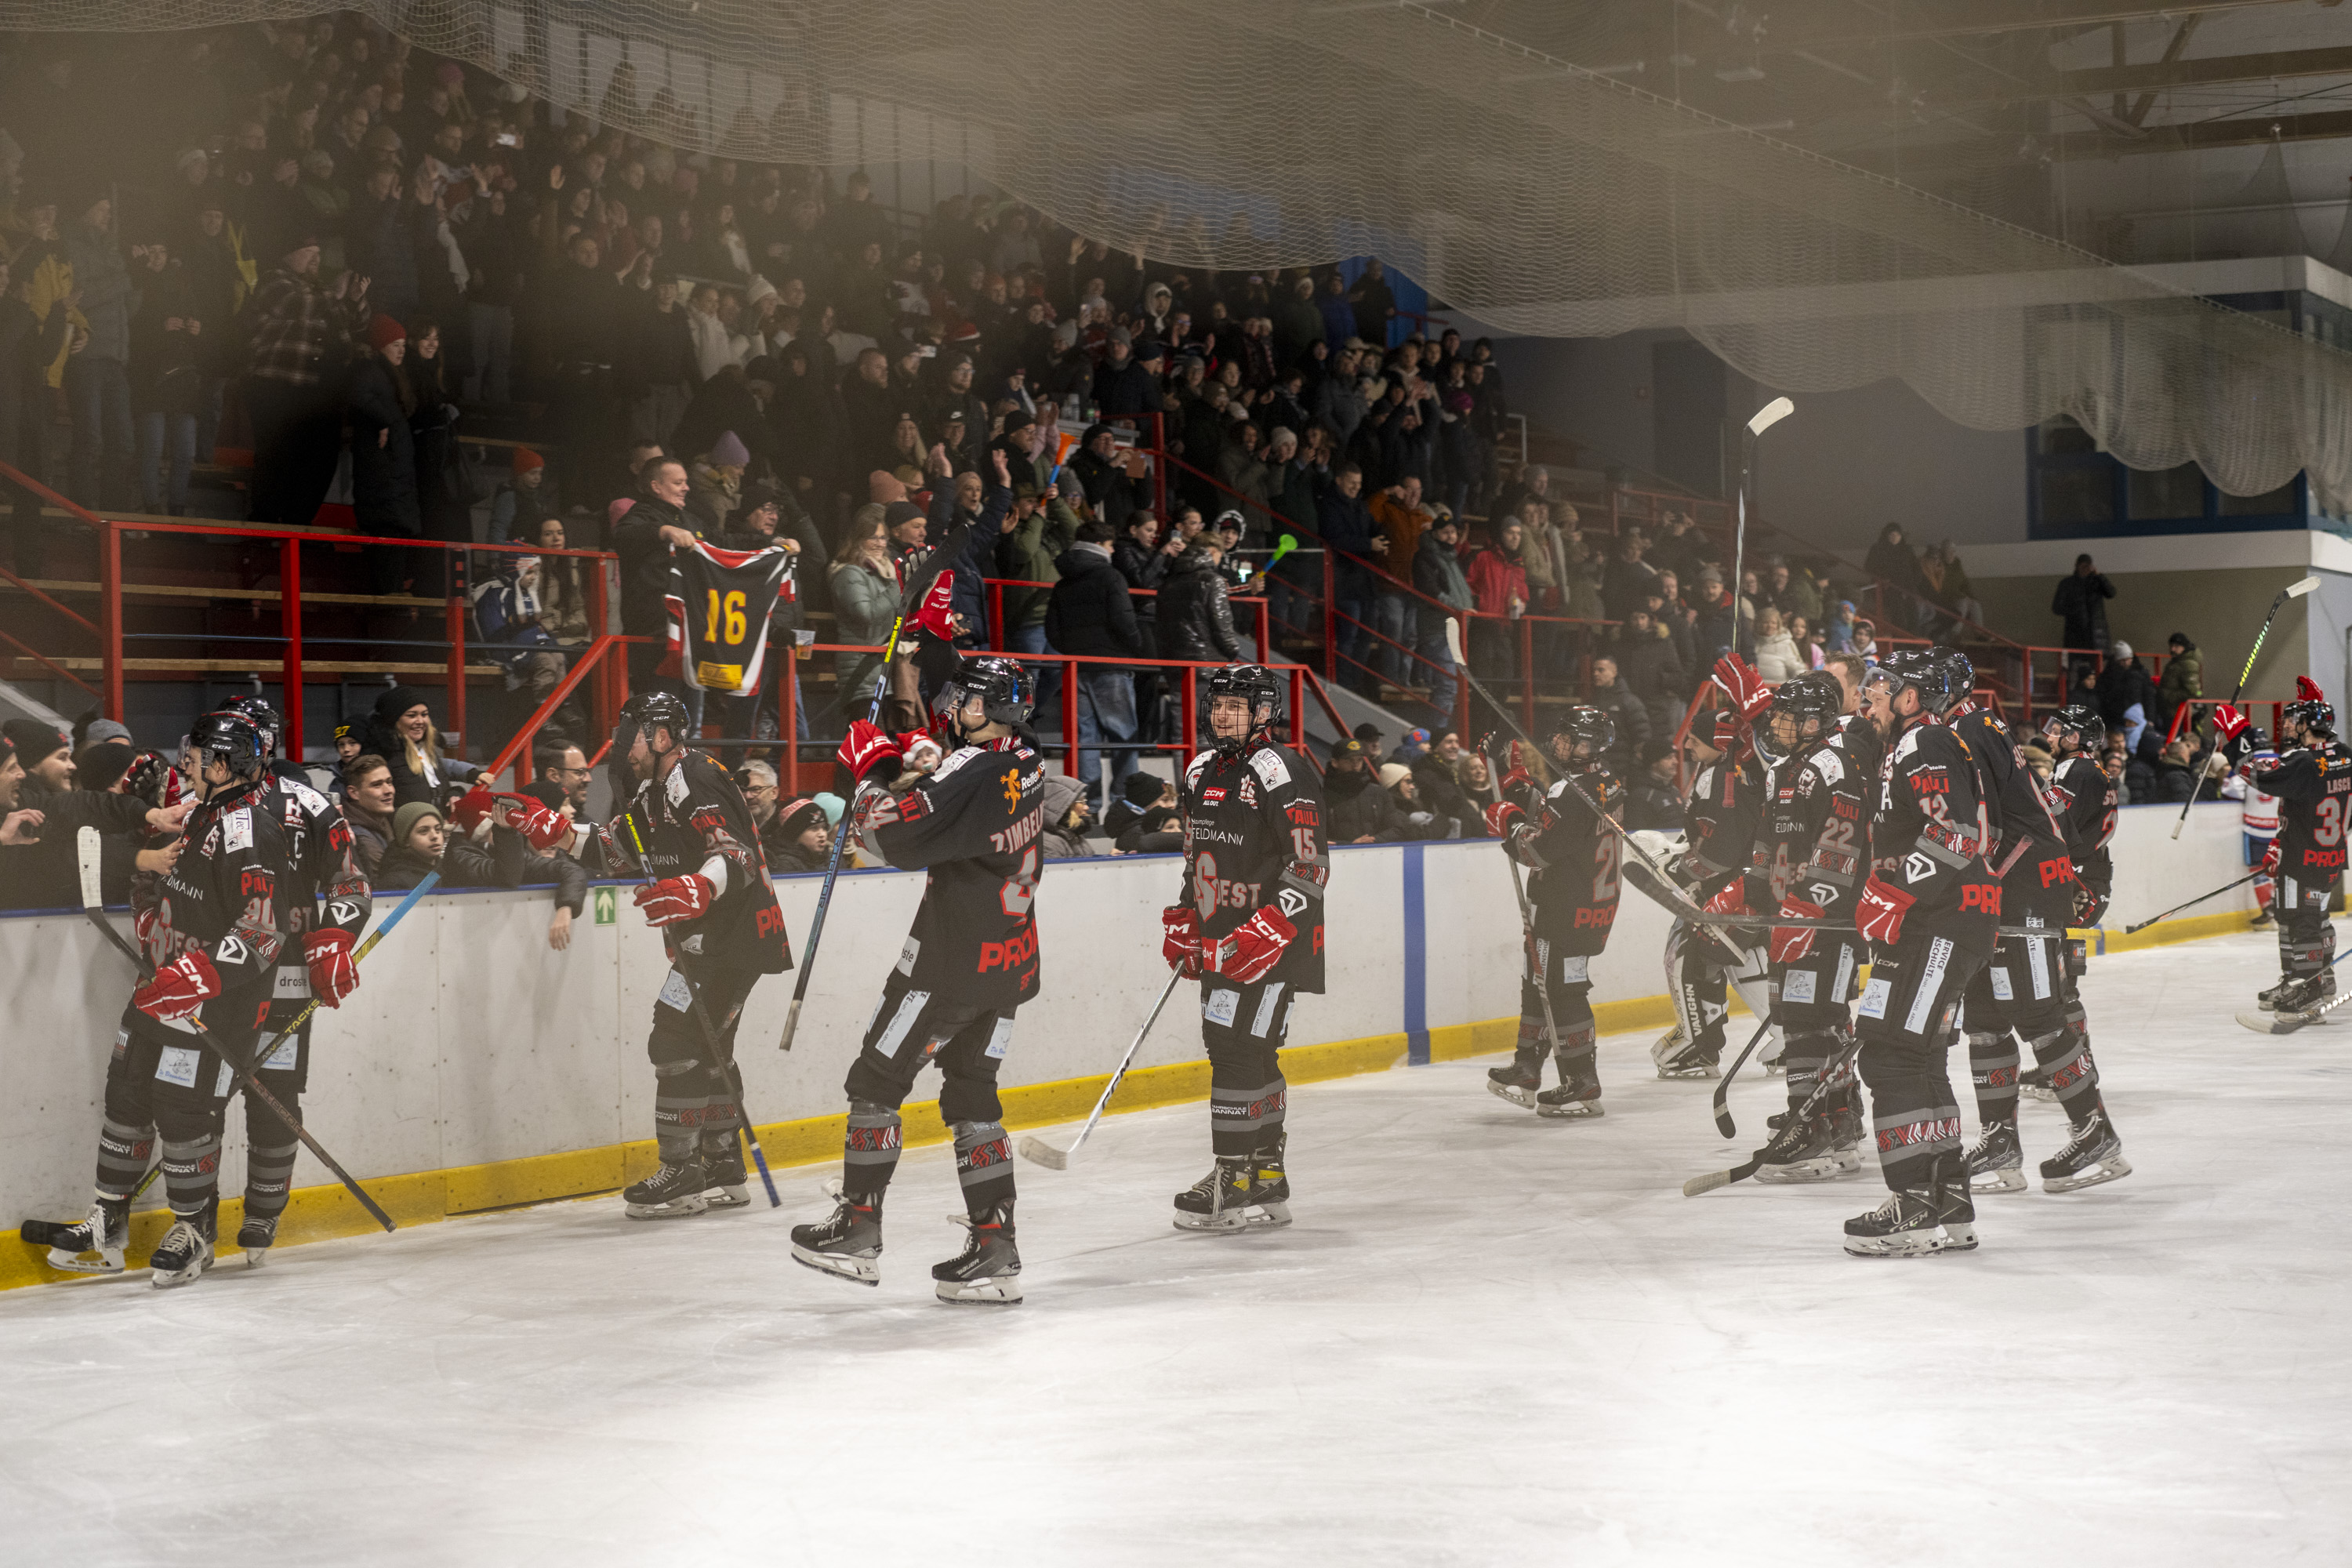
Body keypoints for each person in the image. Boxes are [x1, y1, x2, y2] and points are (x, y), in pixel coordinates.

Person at [793, 657, 1045, 1304]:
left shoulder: (976, 766)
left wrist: (873, 771)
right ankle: (996, 1246)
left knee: (876, 1080)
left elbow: (890, 836)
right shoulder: (1026, 761)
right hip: (1008, 963)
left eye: (970, 700)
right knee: (971, 1097)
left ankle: (858, 1228)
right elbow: (958, 803)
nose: (956, 707)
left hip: (947, 964)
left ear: (994, 710)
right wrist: (920, 765)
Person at [556, 692, 793, 1218]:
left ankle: (683, 1171)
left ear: (662, 736)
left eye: (632, 732)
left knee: (674, 1038)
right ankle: (724, 1167)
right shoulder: (651, 790)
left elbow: (736, 853)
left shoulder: (696, 776)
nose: (622, 743)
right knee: (708, 1048)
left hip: (731, 940)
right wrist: (557, 835)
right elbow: (616, 848)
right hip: (710, 941)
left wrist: (699, 887)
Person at [106, 712, 292, 1287]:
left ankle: (192, 1232)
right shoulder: (199, 815)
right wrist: (151, 924)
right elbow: (172, 894)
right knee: (137, 1091)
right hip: (169, 991)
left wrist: (197, 974)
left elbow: (262, 933)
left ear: (221, 764)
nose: (184, 760)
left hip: (215, 1003)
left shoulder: (247, 828)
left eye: (196, 754)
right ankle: (127, 1217)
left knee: (185, 1107)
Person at [1936, 655, 2127, 1200]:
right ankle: (1999, 1140)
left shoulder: (1970, 728)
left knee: (2041, 1014)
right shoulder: (1972, 725)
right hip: (2004, 888)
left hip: (2027, 890)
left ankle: (2095, 1132)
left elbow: (1986, 820)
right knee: (1987, 1018)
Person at [1838, 649, 2001, 1257]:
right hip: (1944, 921)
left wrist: (1891, 891)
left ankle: (1913, 1206)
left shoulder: (1923, 742)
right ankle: (1947, 1199)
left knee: (1892, 1054)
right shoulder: (1917, 745)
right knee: (1917, 1053)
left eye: (1883, 687)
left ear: (1912, 698)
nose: (1869, 696)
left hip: (1939, 923)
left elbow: (1955, 835)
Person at [1158, 664, 1327, 1229]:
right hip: (1220, 938)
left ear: (1263, 712)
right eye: (1217, 704)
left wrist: (1270, 928)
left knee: (1232, 1048)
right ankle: (1265, 1174)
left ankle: (1231, 1177)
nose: (1221, 714)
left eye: (1235, 706)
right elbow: (1195, 853)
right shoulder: (1201, 768)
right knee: (1248, 1051)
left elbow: (1311, 866)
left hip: (1271, 942)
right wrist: (1187, 913)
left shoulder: (1282, 769)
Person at [217, 697, 373, 1264]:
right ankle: (193, 1218)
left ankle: (262, 1215)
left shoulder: (307, 803)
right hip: (217, 973)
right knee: (196, 1095)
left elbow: (350, 883)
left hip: (284, 976)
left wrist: (336, 936)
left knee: (273, 1094)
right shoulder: (196, 803)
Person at [1748, 673, 1870, 1182]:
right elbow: (1770, 845)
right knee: (1819, 1017)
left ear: (1814, 721)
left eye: (1786, 715)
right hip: (1794, 917)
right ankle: (1838, 1120)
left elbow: (1839, 848)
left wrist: (1810, 907)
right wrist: (1756, 898)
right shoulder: (1786, 770)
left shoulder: (1833, 766)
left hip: (1829, 922)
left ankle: (1810, 1127)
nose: (1776, 723)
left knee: (1806, 1017)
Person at [1481, 706, 1622, 1118]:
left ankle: (1582, 1080)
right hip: (1589, 902)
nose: (1558, 743)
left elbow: (1539, 849)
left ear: (1590, 746)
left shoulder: (1571, 791)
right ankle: (1528, 1066)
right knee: (1539, 981)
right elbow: (1562, 820)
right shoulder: (1605, 780)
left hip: (1565, 906)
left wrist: (1509, 825)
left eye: (1569, 738)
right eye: (1561, 735)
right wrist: (1517, 785)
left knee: (1560, 989)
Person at [2222, 684, 2352, 1017]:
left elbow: (2259, 775)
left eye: (2296, 719)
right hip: (2331, 856)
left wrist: (2236, 737)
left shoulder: (2303, 761)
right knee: (2316, 919)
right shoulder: (2345, 755)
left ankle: (2307, 989)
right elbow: (2306, 802)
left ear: (2307, 725)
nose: (2288, 724)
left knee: (2299, 920)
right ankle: (2320, 980)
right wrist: (2282, 840)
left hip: (2304, 857)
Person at [0, 720, 193, 910]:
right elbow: (69, 854)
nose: (22, 774)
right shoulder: (20, 805)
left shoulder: (25, 801)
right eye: (11, 768)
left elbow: (79, 806)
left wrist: (151, 815)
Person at [1045, 519, 1148, 804]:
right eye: (1111, 544)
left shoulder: (1063, 582)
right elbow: (1124, 621)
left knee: (1084, 741)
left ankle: (1086, 808)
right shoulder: (1111, 577)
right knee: (1123, 737)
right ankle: (1125, 806)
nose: (1114, 550)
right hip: (1112, 665)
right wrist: (1136, 647)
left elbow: (1052, 631)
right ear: (1101, 545)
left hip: (1076, 667)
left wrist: (1073, 650)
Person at [1323, 735, 1399, 844]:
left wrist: (1375, 839)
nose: (1355, 765)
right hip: (1338, 858)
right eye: (1349, 760)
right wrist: (1349, 845)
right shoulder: (1320, 797)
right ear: (1335, 763)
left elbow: (1397, 829)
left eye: (1359, 760)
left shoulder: (1379, 793)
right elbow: (1312, 836)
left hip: (1376, 855)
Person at [2051, 554, 2115, 673]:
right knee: (2071, 670)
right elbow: (2056, 608)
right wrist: (2074, 611)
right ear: (2077, 566)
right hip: (2075, 635)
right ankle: (2071, 690)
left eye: (2088, 566)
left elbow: (2111, 593)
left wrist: (2100, 576)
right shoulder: (2067, 584)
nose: (2086, 569)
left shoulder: (2097, 582)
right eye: (2083, 566)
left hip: (2096, 637)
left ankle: (2096, 690)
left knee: (2095, 672)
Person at [341, 753, 397, 876]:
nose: (388, 790)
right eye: (377, 785)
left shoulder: (383, 818)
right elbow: (390, 878)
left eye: (389, 782)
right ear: (354, 793)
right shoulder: (358, 835)